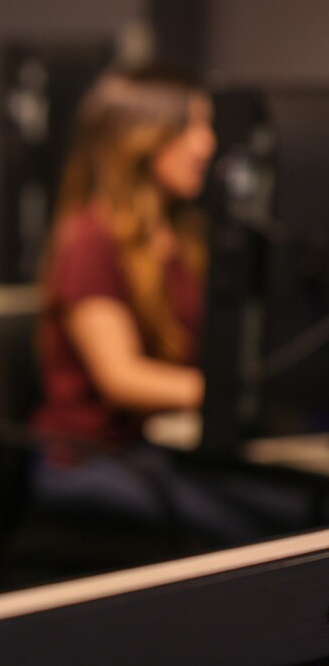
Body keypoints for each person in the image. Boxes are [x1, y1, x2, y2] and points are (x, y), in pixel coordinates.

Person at [34, 68, 304, 543]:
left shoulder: (184, 236)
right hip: (95, 457)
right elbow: (122, 378)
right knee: (273, 526)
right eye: (189, 127)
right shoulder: (91, 240)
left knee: (300, 507)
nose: (206, 144)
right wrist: (236, 394)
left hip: (166, 449)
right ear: (140, 138)